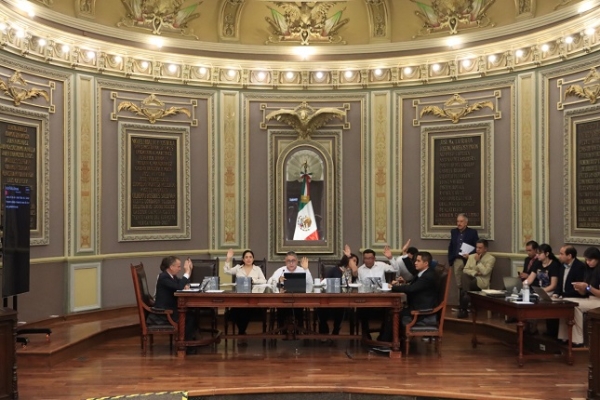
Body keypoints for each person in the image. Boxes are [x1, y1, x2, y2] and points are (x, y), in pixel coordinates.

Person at [378, 251, 439, 344]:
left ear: (426, 263)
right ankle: (384, 340)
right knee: (389, 310)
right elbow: (415, 286)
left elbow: (411, 289)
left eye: (418, 261)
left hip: (422, 312)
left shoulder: (428, 276)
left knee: (392, 313)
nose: (415, 263)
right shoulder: (423, 273)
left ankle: (387, 343)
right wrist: (404, 282)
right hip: (416, 306)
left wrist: (392, 287)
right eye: (415, 260)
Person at [151, 256, 198, 352]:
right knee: (190, 317)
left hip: (171, 308)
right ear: (171, 267)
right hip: (164, 312)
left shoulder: (172, 276)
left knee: (193, 313)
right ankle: (186, 346)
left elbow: (181, 283)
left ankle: (190, 342)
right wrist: (187, 272)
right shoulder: (164, 277)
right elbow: (179, 287)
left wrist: (187, 278)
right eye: (178, 266)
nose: (180, 269)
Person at [557, 246, 600, 347]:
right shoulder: (588, 270)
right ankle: (564, 336)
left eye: (591, 260)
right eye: (586, 260)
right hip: (589, 298)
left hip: (598, 300)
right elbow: (584, 293)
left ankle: (577, 340)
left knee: (575, 305)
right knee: (565, 302)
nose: (588, 262)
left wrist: (588, 288)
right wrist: (580, 289)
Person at [223, 249, 267, 343]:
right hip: (240, 298)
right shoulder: (238, 268)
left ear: (253, 259)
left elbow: (264, 281)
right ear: (243, 259)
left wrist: (253, 280)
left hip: (253, 298)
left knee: (243, 311)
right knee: (239, 310)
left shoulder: (257, 269)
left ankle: (241, 332)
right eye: (246, 257)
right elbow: (226, 271)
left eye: (250, 257)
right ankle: (242, 332)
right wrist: (228, 259)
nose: (248, 259)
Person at [354, 247, 399, 336]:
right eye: (366, 258)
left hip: (382, 297)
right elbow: (358, 284)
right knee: (362, 311)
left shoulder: (381, 265)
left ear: (374, 258)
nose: (368, 260)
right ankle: (366, 335)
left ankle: (383, 335)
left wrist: (390, 258)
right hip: (366, 298)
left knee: (388, 311)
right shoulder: (360, 270)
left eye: (370, 258)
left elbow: (396, 270)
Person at [317, 244, 359, 337]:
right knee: (320, 308)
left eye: (356, 261)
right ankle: (324, 330)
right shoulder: (334, 270)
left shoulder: (353, 272)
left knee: (340, 309)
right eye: (353, 261)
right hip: (330, 296)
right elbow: (325, 282)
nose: (354, 263)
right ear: (346, 260)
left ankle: (336, 331)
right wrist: (349, 257)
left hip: (345, 298)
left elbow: (355, 271)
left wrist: (350, 257)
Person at [267, 251, 312, 330]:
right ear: (285, 261)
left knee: (299, 309)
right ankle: (282, 330)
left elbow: (310, 284)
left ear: (297, 261)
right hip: (283, 300)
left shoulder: (302, 270)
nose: (291, 263)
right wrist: (278, 280)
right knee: (281, 309)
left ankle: (299, 330)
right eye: (288, 261)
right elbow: (269, 283)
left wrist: (306, 269)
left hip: (299, 300)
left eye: (293, 261)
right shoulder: (281, 270)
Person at [524, 243, 561, 336]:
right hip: (539, 290)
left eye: (539, 254)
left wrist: (541, 291)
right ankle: (530, 327)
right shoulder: (537, 263)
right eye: (537, 253)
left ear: (547, 254)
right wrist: (524, 284)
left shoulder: (554, 265)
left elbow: (553, 285)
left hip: (550, 291)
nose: (537, 256)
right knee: (529, 299)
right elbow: (530, 278)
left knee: (536, 300)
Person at [457, 239, 496, 318]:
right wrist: (475, 273)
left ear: (485, 249)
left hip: (482, 281)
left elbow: (485, 272)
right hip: (471, 279)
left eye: (480, 248)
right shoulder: (471, 256)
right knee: (464, 276)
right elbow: (465, 269)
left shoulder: (491, 259)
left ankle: (463, 309)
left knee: (466, 287)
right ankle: (465, 303)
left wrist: (478, 262)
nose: (477, 249)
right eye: (477, 247)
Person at [447, 213, 479, 297]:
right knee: (459, 284)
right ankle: (460, 305)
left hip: (468, 261)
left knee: (467, 283)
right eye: (457, 221)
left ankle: (468, 305)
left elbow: (477, 247)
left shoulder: (472, 232)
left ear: (466, 222)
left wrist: (470, 255)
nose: (458, 223)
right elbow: (451, 246)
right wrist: (450, 260)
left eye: (461, 221)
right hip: (457, 260)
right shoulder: (453, 232)